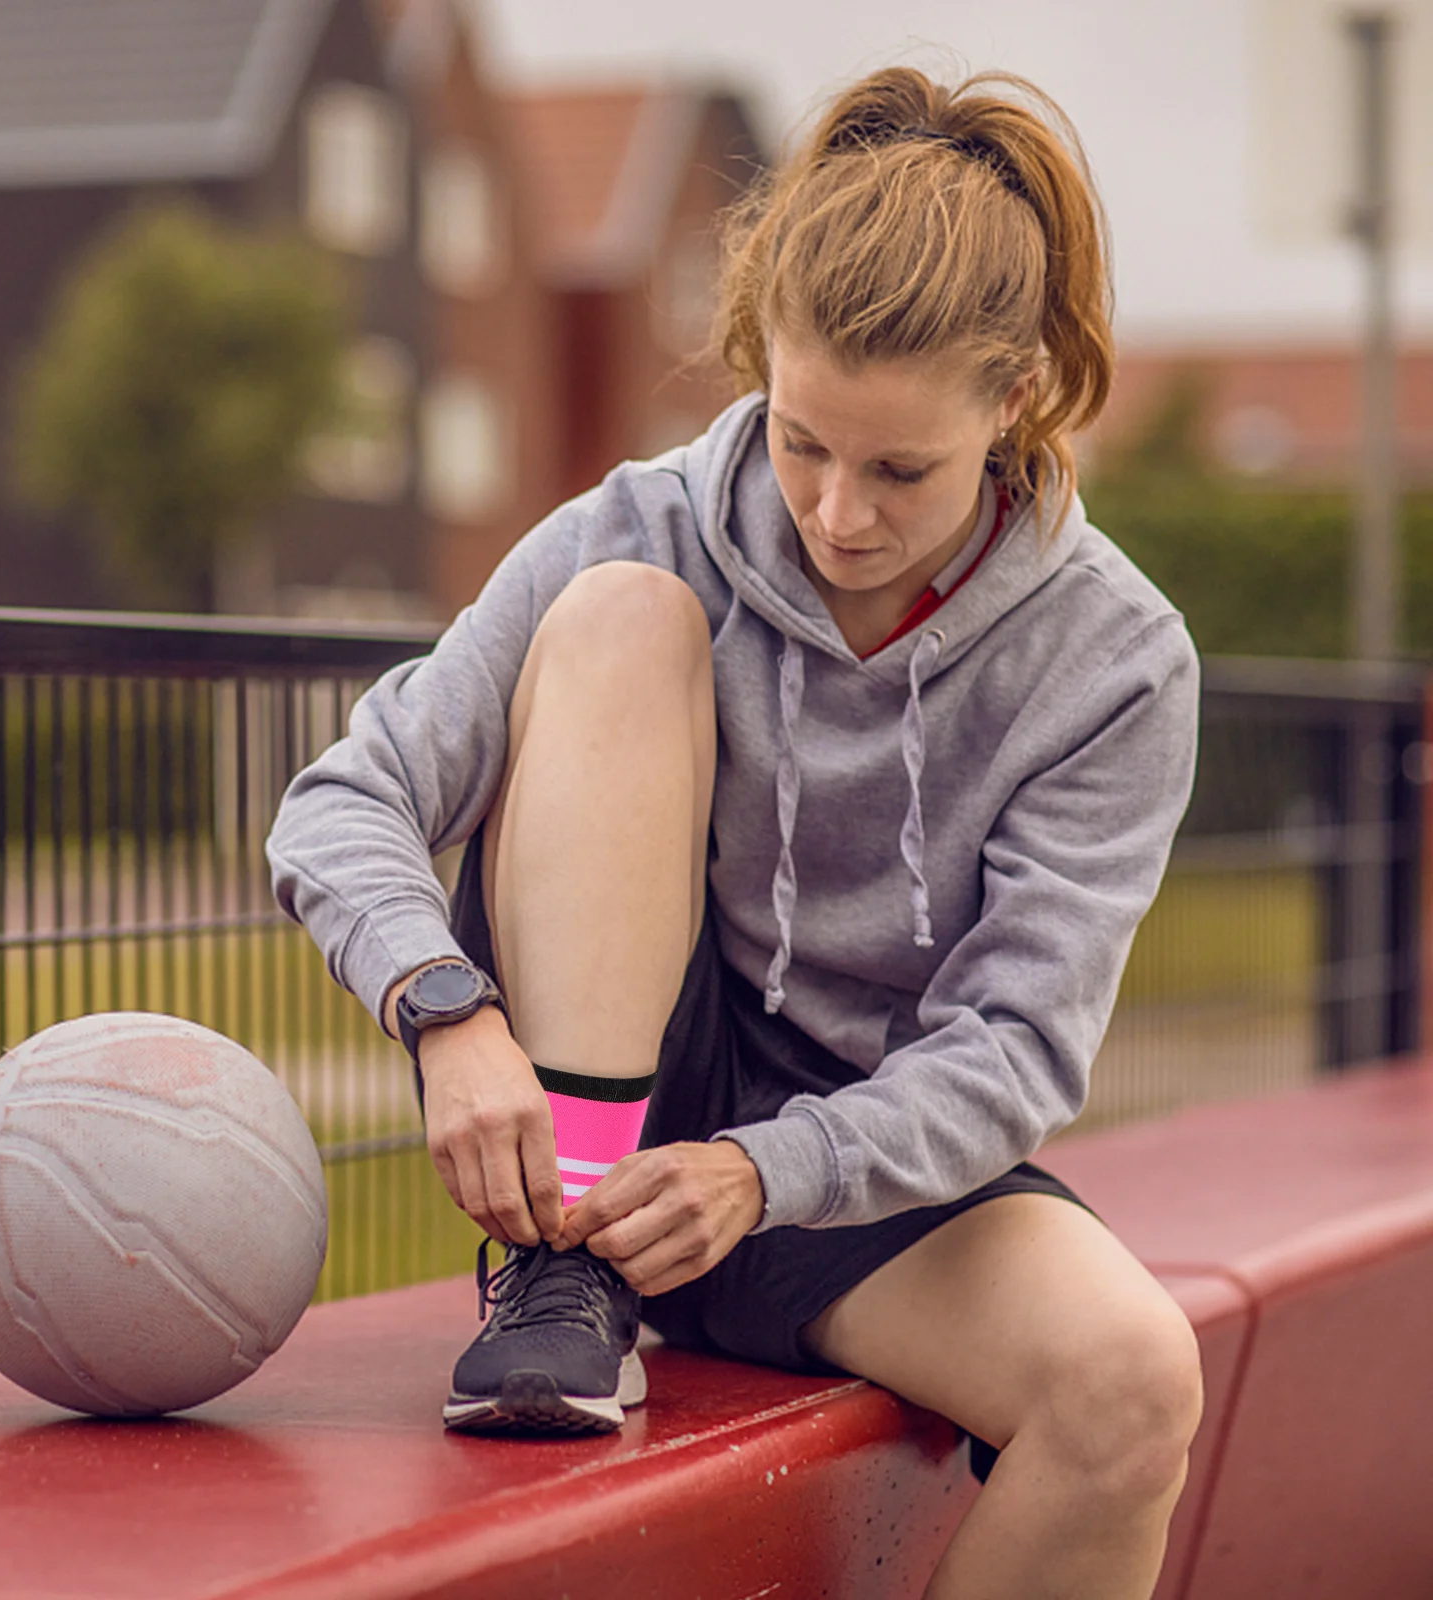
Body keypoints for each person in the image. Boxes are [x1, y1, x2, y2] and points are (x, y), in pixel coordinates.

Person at [269, 63, 1203, 1600]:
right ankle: (562, 1273)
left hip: (853, 1181)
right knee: (628, 619)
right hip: (609, 1161)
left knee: (1133, 1383)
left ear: (1015, 398)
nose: (837, 513)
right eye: (801, 439)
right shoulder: (636, 521)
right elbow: (341, 802)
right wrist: (447, 1015)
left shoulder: (1114, 662)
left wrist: (765, 1175)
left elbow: (1016, 1051)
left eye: (900, 468)